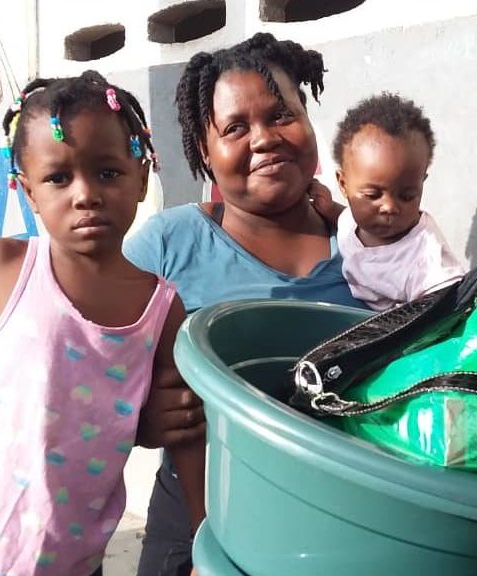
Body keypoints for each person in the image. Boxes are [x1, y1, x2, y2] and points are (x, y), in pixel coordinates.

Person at [0, 71, 205, 576]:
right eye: (59, 178)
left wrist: (202, 538)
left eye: (108, 172)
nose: (85, 195)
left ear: (142, 177)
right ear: (29, 191)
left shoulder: (161, 308)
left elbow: (182, 425)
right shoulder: (1, 268)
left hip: (73, 560)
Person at [123, 32, 367, 576]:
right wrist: (141, 419)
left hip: (349, 522)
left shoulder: (371, 243)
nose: (265, 139)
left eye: (282, 115)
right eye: (235, 127)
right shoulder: (167, 246)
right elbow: (90, 367)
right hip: (199, 511)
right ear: (204, 153)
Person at [310, 92, 466, 311]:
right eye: (373, 195)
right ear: (344, 185)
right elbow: (344, 219)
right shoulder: (353, 220)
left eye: (407, 196)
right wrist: (329, 209)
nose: (389, 207)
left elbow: (448, 306)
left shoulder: (426, 259)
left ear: (422, 182)